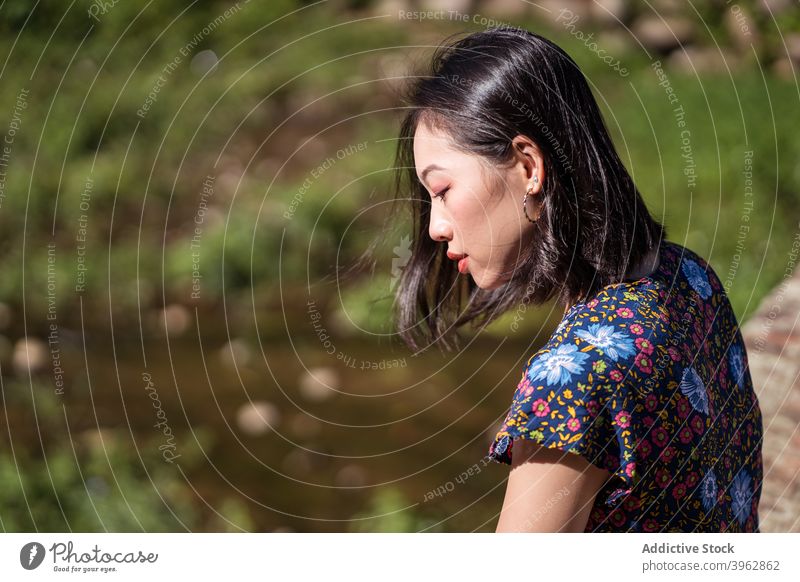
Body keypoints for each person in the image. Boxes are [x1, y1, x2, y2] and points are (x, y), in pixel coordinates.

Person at [390, 26, 763, 533]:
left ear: (528, 166)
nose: (434, 226)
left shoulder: (574, 380)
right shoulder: (688, 275)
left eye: (443, 189)